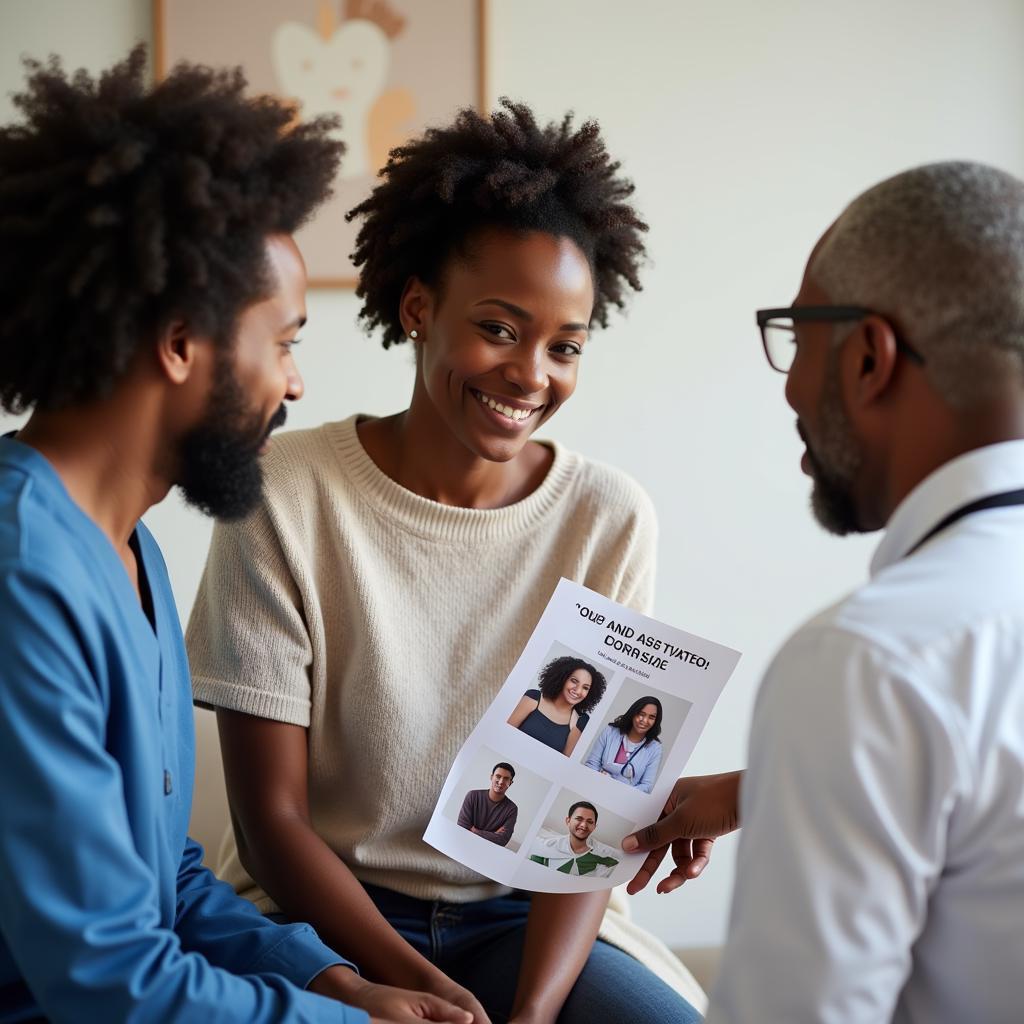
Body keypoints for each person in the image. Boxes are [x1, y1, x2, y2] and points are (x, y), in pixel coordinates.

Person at [187, 99, 706, 1023]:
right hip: (322, 919)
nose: (531, 375)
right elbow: (273, 825)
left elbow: (586, 815)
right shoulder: (285, 490)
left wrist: (534, 1014)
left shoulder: (609, 518)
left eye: (566, 347)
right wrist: (416, 984)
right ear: (418, 307)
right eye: (500, 329)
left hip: (522, 920)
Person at [0, 47, 473, 1024]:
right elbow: (106, 975)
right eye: (287, 340)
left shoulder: (131, 551)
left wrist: (335, 981)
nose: (297, 383)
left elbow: (159, 875)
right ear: (180, 341)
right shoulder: (20, 576)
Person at [627, 161, 1024, 1024]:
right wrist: (769, 781)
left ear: (870, 357)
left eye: (798, 338)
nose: (789, 385)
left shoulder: (866, 663)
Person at [506, 655, 607, 757]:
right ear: (562, 679)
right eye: (574, 681)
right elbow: (505, 733)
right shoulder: (534, 698)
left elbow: (563, 763)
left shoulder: (579, 722)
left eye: (585, 688)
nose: (578, 690)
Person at [584, 696, 663, 792]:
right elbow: (592, 764)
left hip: (623, 799)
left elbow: (646, 786)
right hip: (595, 787)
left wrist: (620, 790)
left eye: (651, 717)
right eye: (641, 714)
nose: (644, 720)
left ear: (656, 721)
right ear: (633, 713)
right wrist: (599, 782)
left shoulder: (655, 748)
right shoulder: (610, 731)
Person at [529, 803, 619, 878]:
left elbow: (617, 864)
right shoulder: (547, 846)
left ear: (594, 827)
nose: (584, 825)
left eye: (590, 822)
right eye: (579, 819)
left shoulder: (600, 854)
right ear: (568, 821)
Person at [457, 763, 518, 846]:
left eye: (506, 779)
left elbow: (502, 840)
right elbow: (461, 827)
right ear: (491, 777)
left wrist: (474, 831)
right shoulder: (472, 796)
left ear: (510, 783)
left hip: (487, 851)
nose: (501, 782)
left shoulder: (511, 809)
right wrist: (493, 834)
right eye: (498, 776)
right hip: (462, 843)